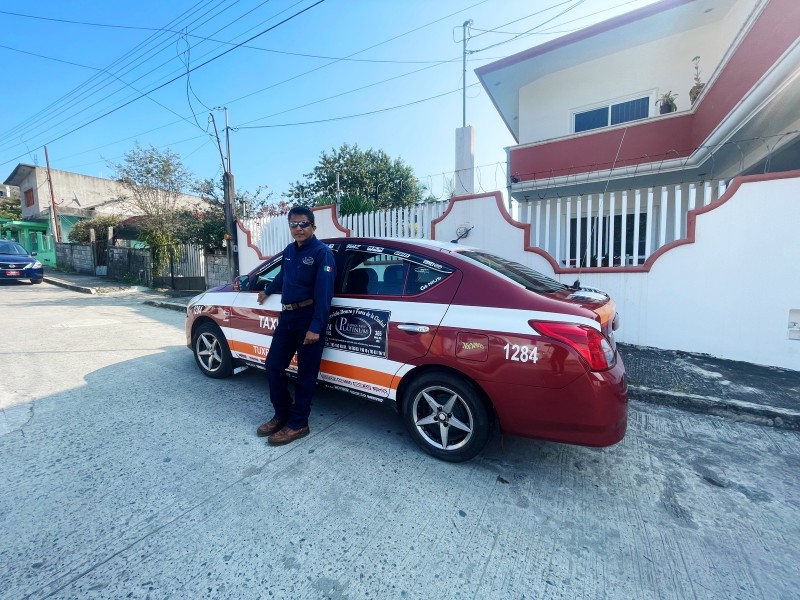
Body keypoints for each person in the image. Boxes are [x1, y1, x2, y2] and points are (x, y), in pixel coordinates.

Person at [255, 206, 336, 445]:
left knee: (305, 374)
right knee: (273, 366)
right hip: (287, 317)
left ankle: (299, 423)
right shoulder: (290, 250)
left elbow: (325, 292)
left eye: (303, 224)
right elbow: (283, 275)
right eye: (294, 224)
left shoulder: (323, 253)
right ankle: (282, 414)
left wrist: (316, 326)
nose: (298, 229)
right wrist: (267, 290)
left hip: (308, 318)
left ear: (313, 226)